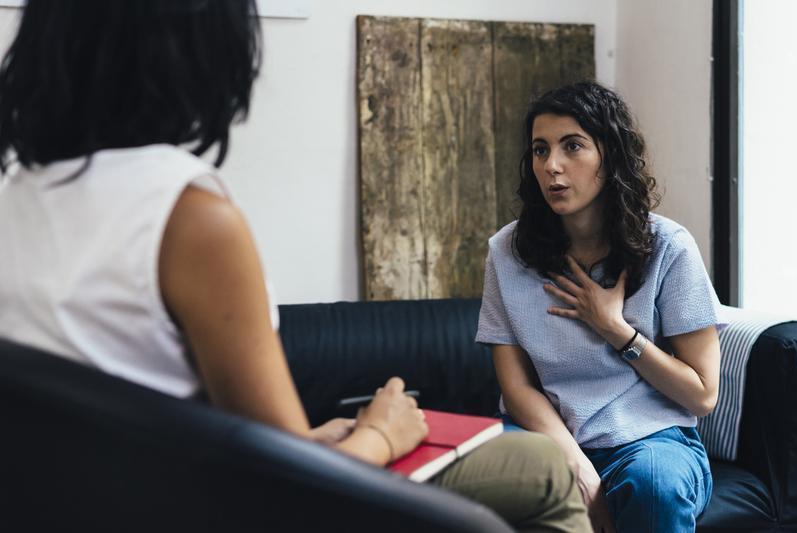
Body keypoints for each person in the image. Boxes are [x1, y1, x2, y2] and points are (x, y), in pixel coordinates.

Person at [0, 1, 591, 531]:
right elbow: (283, 489)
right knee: (542, 467)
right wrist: (380, 433)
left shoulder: (18, 193)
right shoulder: (189, 218)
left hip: (97, 501)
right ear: (201, 50)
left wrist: (309, 440)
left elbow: (165, 418)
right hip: (199, 506)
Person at [476, 81, 723, 533]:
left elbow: (702, 395)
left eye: (572, 146)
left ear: (610, 156)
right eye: (540, 149)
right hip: (542, 436)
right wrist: (574, 463)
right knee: (476, 485)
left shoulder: (669, 247)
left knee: (654, 485)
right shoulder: (506, 252)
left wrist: (615, 329)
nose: (551, 166)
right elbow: (517, 388)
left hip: (650, 440)